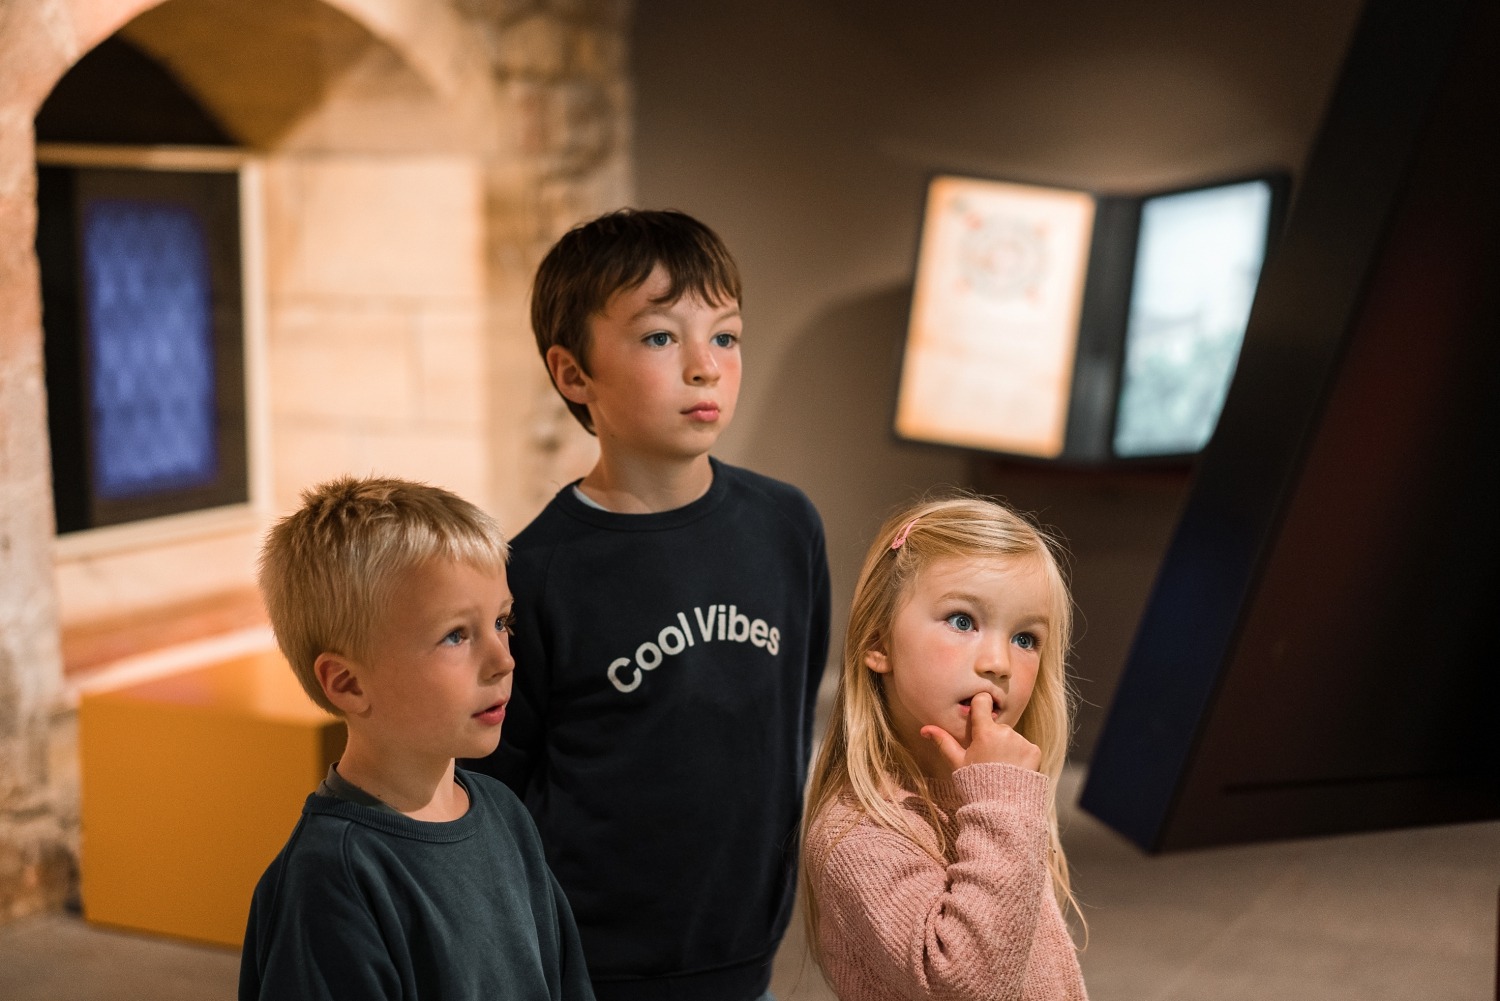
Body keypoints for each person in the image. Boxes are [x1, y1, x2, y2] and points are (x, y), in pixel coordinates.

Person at [466, 209, 831, 1001]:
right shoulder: (536, 572)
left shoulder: (787, 525)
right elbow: (492, 786)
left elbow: (790, 719)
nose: (705, 366)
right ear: (573, 375)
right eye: (662, 337)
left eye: (725, 336)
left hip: (748, 947)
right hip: (595, 968)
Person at [240, 475, 594, 1001]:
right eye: (456, 635)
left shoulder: (504, 813)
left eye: (502, 621)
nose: (504, 659)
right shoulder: (333, 879)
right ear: (349, 683)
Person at [800, 495, 1088, 1001]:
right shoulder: (857, 833)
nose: (998, 662)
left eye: (1025, 638)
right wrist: (1001, 804)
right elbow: (969, 986)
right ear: (879, 641)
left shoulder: (982, 795)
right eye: (962, 621)